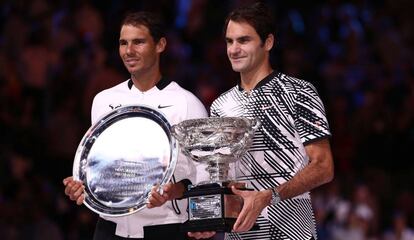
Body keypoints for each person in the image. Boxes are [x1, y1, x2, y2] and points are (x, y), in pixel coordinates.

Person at [189, 2, 334, 240]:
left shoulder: (299, 92)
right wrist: (207, 218)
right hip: (240, 233)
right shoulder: (220, 106)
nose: (234, 49)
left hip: (291, 231)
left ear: (268, 42)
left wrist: (269, 196)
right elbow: (223, 178)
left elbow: (324, 167)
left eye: (243, 40)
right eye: (229, 41)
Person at [63, 11, 207, 239]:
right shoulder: (103, 100)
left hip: (165, 228)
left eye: (138, 42)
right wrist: (82, 186)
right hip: (109, 228)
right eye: (123, 43)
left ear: (160, 45)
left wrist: (181, 197)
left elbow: (204, 174)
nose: (129, 51)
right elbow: (100, 166)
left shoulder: (187, 103)